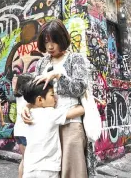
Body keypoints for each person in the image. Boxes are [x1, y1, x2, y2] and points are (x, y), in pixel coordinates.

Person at [22, 19, 89, 177]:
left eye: (54, 41)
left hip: (70, 124)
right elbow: (36, 92)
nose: (50, 46)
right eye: (46, 41)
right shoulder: (41, 63)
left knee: (72, 171)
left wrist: (59, 76)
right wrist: (28, 107)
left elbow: (80, 87)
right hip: (46, 128)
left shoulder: (75, 59)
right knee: (47, 170)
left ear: (62, 40)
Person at [21, 79, 84, 178]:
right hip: (48, 168)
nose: (56, 98)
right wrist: (85, 103)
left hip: (30, 167)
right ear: (40, 100)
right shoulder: (50, 113)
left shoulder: (28, 114)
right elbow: (79, 111)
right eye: (52, 95)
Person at [13, 74, 33, 178]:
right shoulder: (28, 97)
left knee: (24, 159)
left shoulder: (18, 95)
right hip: (25, 131)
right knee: (28, 160)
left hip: (18, 130)